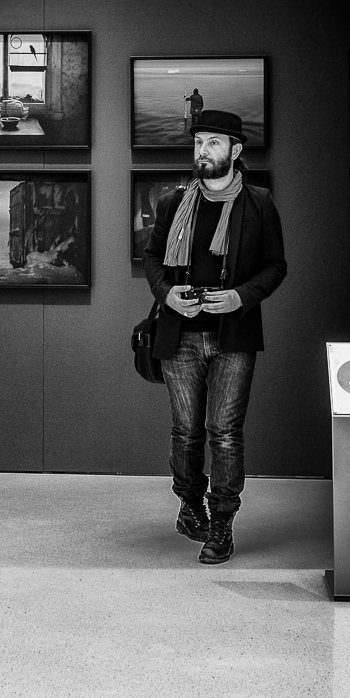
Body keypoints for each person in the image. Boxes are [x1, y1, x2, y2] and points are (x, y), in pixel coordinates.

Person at [142, 110, 286, 564]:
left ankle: (222, 522)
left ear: (235, 150)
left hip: (233, 337)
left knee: (224, 433)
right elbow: (152, 259)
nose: (202, 151)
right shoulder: (173, 202)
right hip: (179, 335)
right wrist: (168, 294)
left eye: (213, 143)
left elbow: (276, 266)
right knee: (186, 432)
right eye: (198, 142)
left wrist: (240, 296)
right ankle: (190, 508)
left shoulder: (258, 203)